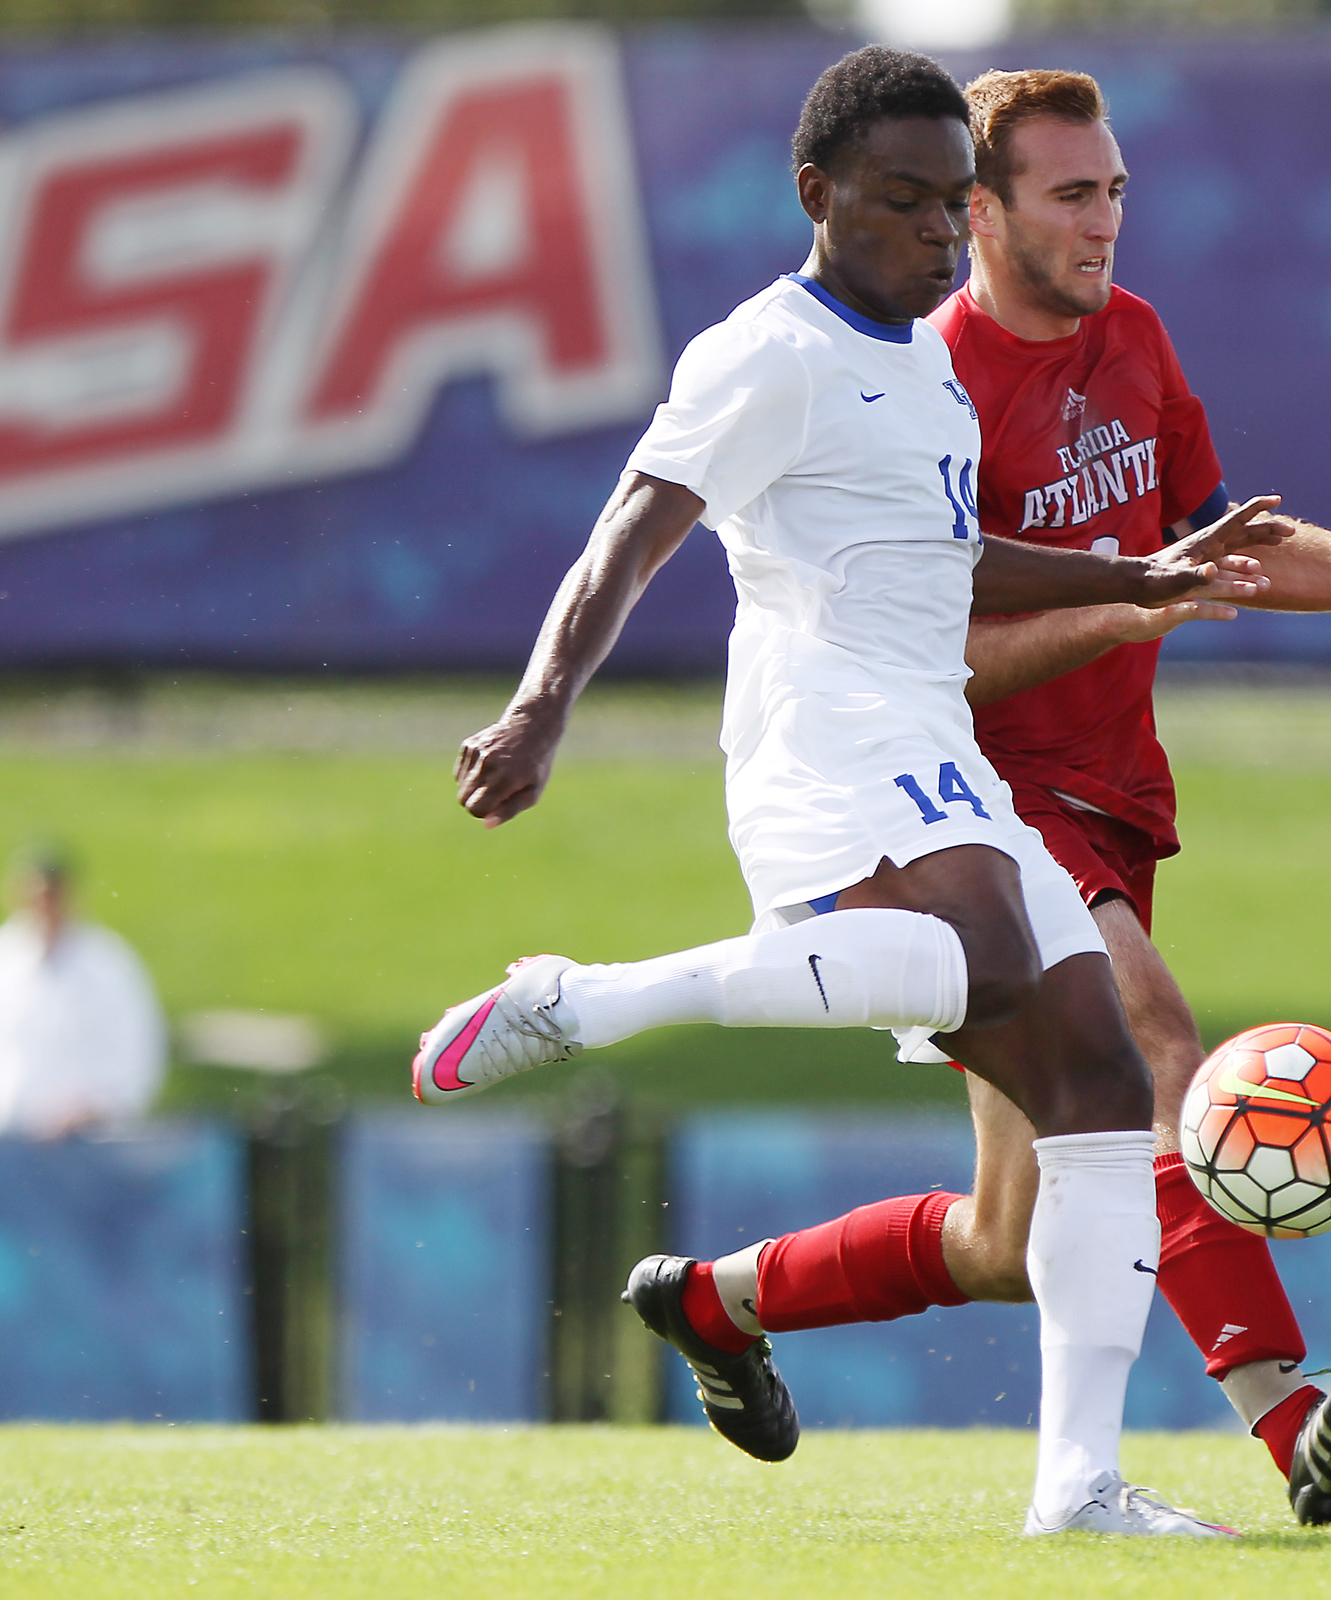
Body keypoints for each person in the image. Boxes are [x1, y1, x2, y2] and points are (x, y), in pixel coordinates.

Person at [413, 47, 1277, 1538]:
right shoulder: (767, 354)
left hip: (934, 741)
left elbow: (949, 554)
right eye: (903, 201)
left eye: (953, 205)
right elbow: (631, 530)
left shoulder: (925, 361)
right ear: (818, 195)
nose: (937, 233)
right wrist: (540, 708)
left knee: (1094, 1079)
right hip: (825, 743)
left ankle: (1078, 1486)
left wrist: (1136, 571)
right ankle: (589, 996)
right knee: (998, 960)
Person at [839, 66, 1331, 1527]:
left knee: (1002, 1233)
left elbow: (1222, 556)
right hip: (964, 802)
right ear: (982, 210)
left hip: (1112, 801)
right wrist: (1128, 610)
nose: (1106, 225)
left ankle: (714, 1302)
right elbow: (932, 659)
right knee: (1159, 1043)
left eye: (1117, 192)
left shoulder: (1134, 338)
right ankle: (1296, 1423)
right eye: (1073, 196)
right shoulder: (927, 388)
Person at [0, 846, 167, 1139]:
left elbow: (138, 1051)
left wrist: (95, 1106)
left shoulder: (109, 966)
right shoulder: (7, 957)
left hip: (81, 1141)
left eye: (51, 895)